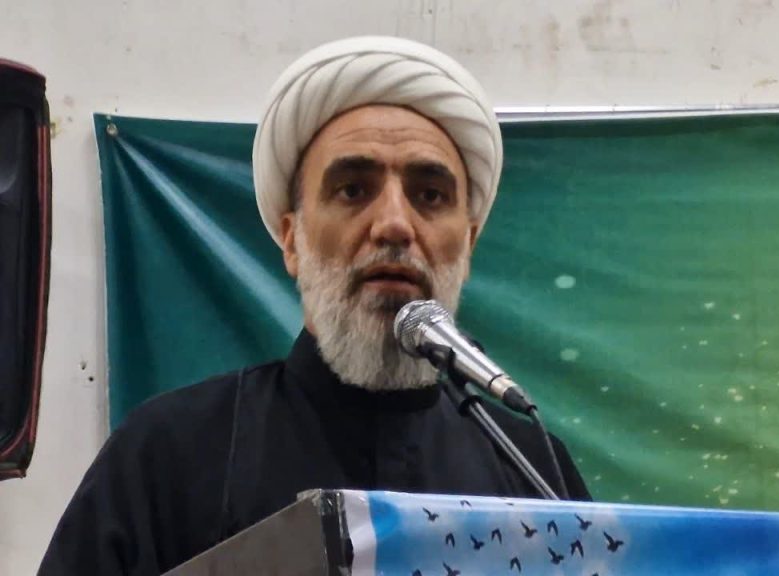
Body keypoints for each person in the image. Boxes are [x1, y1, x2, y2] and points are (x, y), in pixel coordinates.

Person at [39, 36, 589, 576]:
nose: (394, 224)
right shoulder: (168, 453)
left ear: (467, 244)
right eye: (353, 190)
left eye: (429, 196)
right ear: (291, 241)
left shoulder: (533, 473)